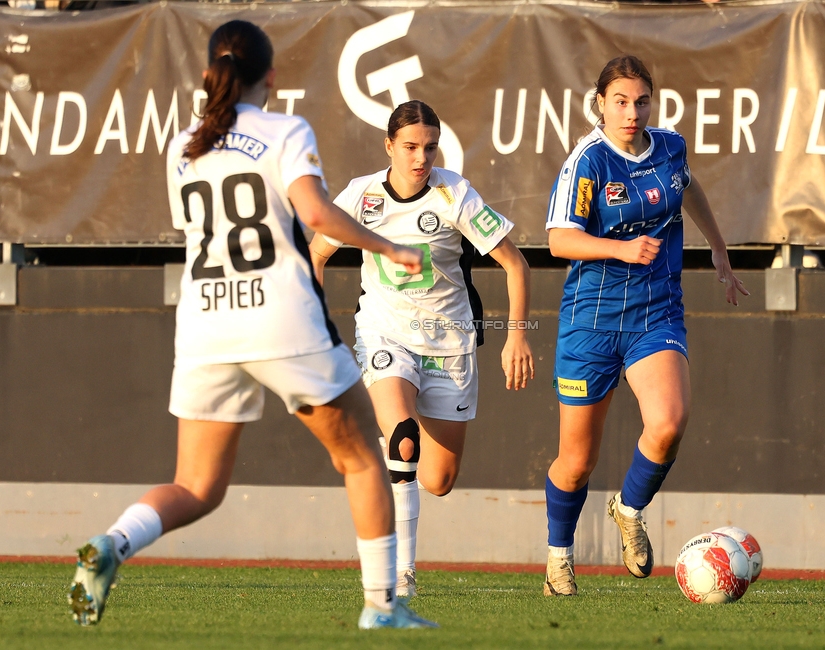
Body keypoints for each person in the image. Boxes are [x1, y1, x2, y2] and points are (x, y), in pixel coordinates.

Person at [67, 20, 437, 630]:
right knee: (362, 461)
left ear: (212, 71)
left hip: (207, 324)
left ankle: (112, 543)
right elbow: (315, 211)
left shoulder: (183, 142)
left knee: (196, 486)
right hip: (280, 318)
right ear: (271, 76)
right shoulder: (284, 128)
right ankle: (381, 608)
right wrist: (386, 246)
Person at [309, 100, 534, 599]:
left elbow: (515, 265)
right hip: (385, 334)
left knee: (437, 479)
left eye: (429, 147)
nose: (420, 157)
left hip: (450, 345)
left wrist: (516, 333)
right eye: (410, 147)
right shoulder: (361, 195)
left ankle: (396, 456)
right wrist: (316, 326)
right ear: (388, 145)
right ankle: (401, 573)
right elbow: (317, 255)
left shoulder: (455, 193)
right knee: (403, 436)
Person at [541, 55, 749, 596]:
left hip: (656, 311)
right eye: (621, 102)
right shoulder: (588, 163)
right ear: (600, 105)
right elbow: (559, 240)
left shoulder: (670, 147)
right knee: (576, 461)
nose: (632, 113)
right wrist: (620, 247)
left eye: (641, 101)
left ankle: (628, 509)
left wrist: (720, 251)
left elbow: (687, 187)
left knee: (668, 425)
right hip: (591, 321)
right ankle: (558, 559)